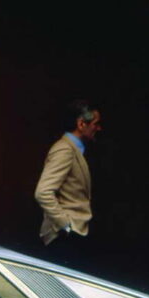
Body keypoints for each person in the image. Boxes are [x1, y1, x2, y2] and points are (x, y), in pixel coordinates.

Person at [34, 98, 102, 270]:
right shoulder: (64, 150)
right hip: (64, 236)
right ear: (81, 124)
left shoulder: (76, 149)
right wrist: (66, 225)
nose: (99, 128)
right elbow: (43, 192)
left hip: (74, 233)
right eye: (95, 123)